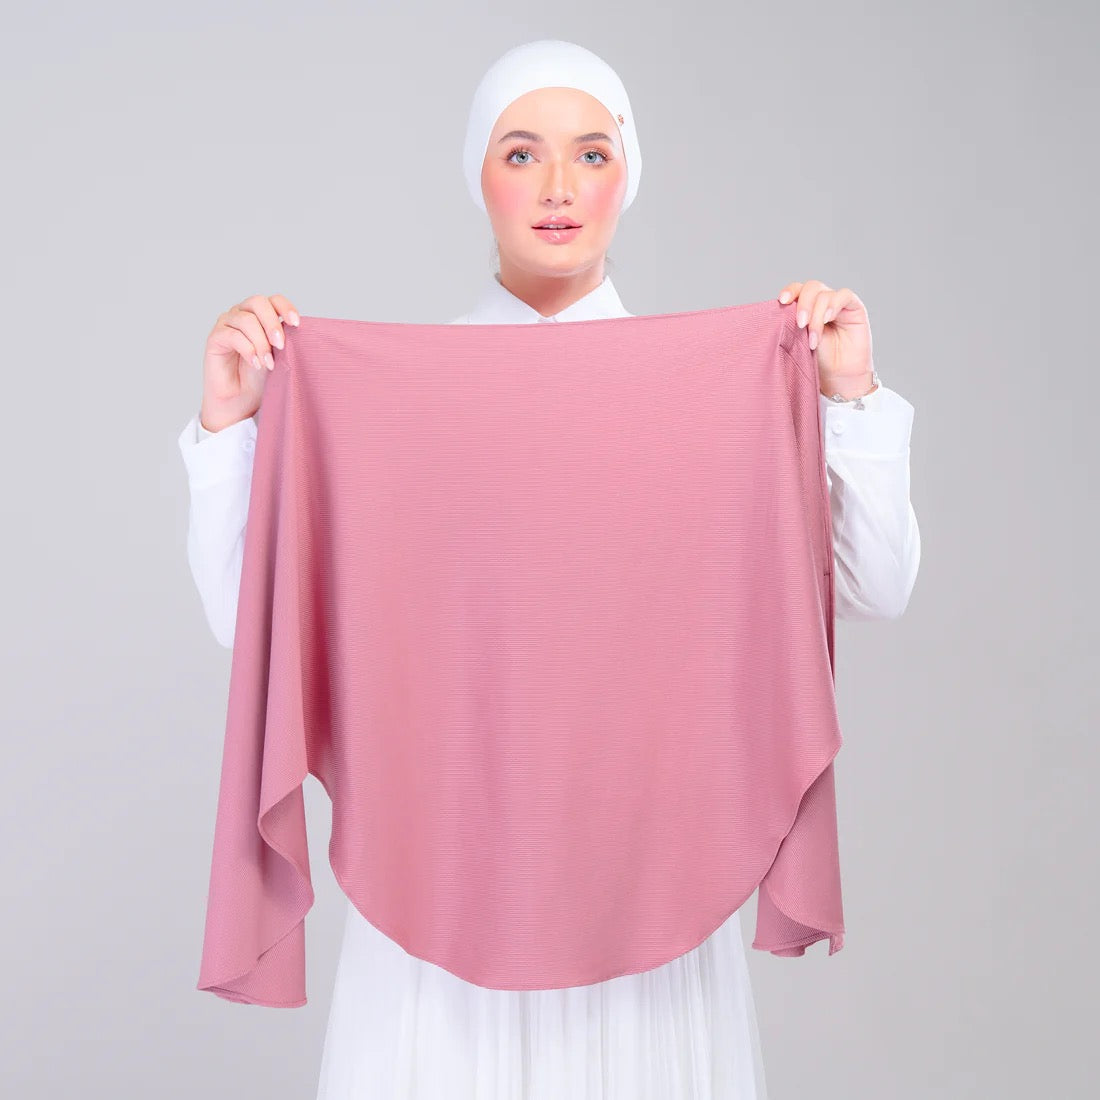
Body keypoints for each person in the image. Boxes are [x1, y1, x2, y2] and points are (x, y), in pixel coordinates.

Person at [178, 38, 920, 1100]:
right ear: (476, 175)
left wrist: (849, 396)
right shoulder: (386, 401)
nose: (559, 187)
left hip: (655, 897)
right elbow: (244, 622)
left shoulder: (719, 395)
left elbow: (878, 585)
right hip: (437, 902)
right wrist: (230, 424)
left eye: (591, 153)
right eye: (521, 153)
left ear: (630, 174)